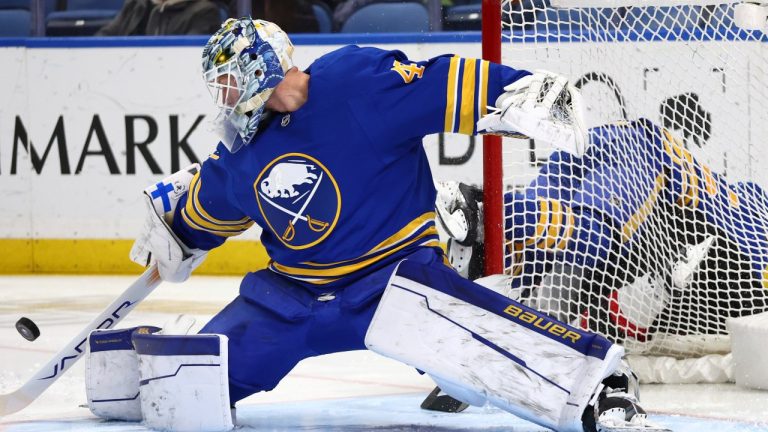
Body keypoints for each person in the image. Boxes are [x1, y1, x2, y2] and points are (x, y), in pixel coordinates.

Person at [89, 18, 668, 432]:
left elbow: (442, 83)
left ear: (261, 68)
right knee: (182, 393)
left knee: (477, 345)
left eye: (230, 81)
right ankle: (133, 380)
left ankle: (603, 385)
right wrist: (175, 225)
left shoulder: (354, 83)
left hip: (391, 284)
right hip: (291, 298)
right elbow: (209, 203)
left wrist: (515, 91)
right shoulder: (242, 148)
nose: (225, 96)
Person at [436, 118, 768, 344]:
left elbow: (592, 244)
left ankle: (480, 234)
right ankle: (482, 214)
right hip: (647, 162)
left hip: (630, 156)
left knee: (567, 260)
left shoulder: (748, 213)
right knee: (591, 247)